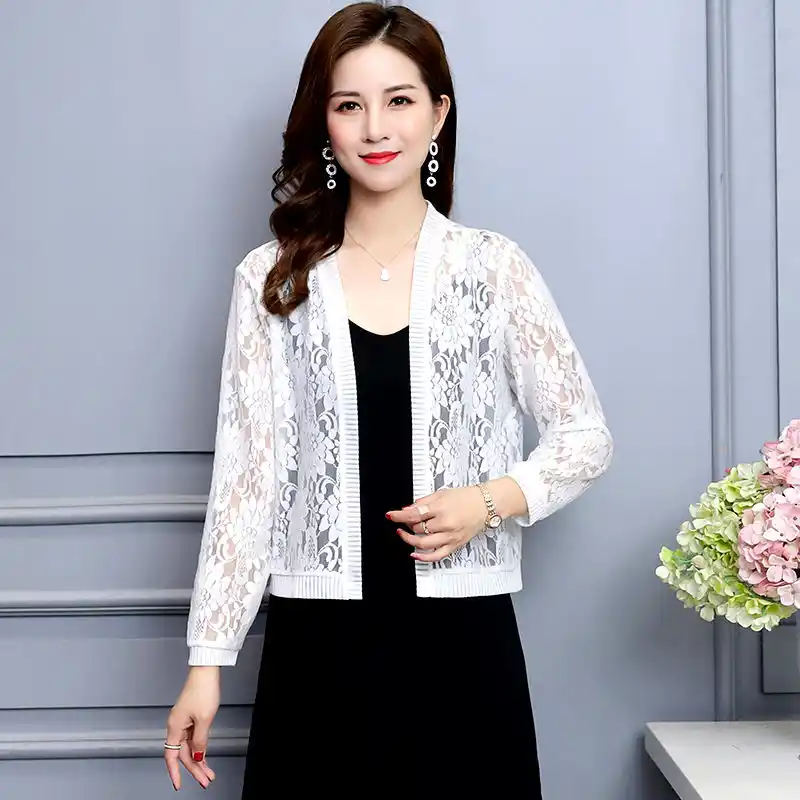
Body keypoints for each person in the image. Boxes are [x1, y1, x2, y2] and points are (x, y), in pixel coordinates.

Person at [163, 2, 613, 797]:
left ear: (438, 114)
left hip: (464, 644)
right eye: (350, 104)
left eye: (399, 100)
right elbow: (246, 484)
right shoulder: (272, 280)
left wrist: (487, 501)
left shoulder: (492, 269)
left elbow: (585, 435)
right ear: (325, 123)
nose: (376, 127)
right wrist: (207, 663)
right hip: (318, 649)